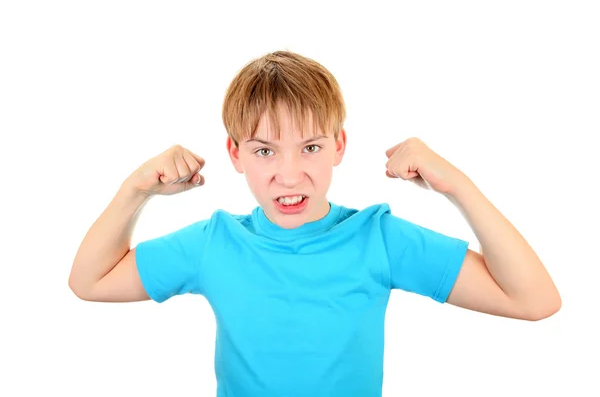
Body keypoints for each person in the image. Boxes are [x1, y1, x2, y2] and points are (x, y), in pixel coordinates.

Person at [68, 50, 561, 397]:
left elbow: (535, 300)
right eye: (265, 150)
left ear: (339, 146)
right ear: (235, 155)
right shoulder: (214, 243)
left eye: (310, 147)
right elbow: (89, 281)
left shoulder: (379, 238)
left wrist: (458, 187)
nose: (289, 174)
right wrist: (137, 189)